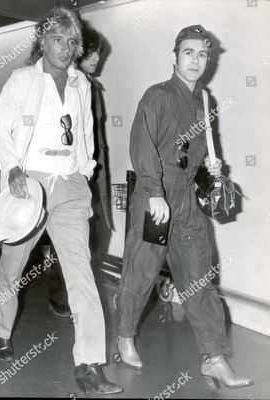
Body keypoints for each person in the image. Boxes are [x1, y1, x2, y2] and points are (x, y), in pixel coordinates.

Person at [0, 7, 122, 395]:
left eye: (71, 42)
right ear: (42, 42)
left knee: (82, 274)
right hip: (28, 185)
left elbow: (83, 136)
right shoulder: (22, 80)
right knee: (12, 267)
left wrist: (84, 179)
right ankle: (1, 329)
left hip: (71, 186)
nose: (65, 48)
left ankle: (90, 365)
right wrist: (13, 168)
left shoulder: (82, 84)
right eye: (57, 40)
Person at [115, 25, 253, 390]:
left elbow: (200, 150)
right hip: (154, 195)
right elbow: (142, 145)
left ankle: (214, 358)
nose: (195, 61)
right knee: (142, 270)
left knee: (199, 277)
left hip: (187, 198)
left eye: (202, 54)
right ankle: (124, 336)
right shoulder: (156, 96)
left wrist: (211, 170)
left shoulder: (204, 101)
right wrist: (154, 190)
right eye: (188, 53)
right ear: (174, 56)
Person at [47, 22, 113, 318]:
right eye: (93, 52)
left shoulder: (92, 87)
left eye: (100, 53)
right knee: (75, 238)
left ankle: (78, 297)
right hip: (73, 175)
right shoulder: (66, 85)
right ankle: (64, 299)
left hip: (94, 175)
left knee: (96, 234)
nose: (97, 58)